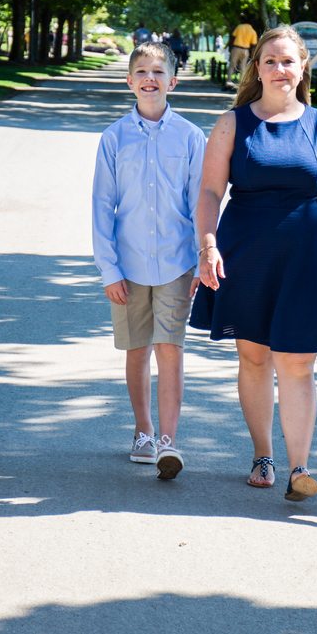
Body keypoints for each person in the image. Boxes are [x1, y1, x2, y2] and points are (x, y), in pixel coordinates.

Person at [191, 25, 317, 501]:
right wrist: (208, 246)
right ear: (257, 68)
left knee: (298, 361)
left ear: (303, 66)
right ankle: (263, 454)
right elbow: (209, 192)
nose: (279, 69)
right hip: (245, 256)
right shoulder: (232, 124)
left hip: (306, 258)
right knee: (254, 358)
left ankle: (299, 468)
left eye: (288, 61)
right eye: (269, 61)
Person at [92, 42, 207, 479]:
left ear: (172, 81)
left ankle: (169, 440)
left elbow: (200, 202)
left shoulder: (190, 137)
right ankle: (143, 431)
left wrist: (201, 258)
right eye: (141, 71)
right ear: (129, 81)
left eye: (158, 72)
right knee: (137, 349)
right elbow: (102, 206)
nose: (150, 79)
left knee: (170, 348)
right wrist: (109, 269)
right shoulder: (114, 138)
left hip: (177, 262)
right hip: (128, 265)